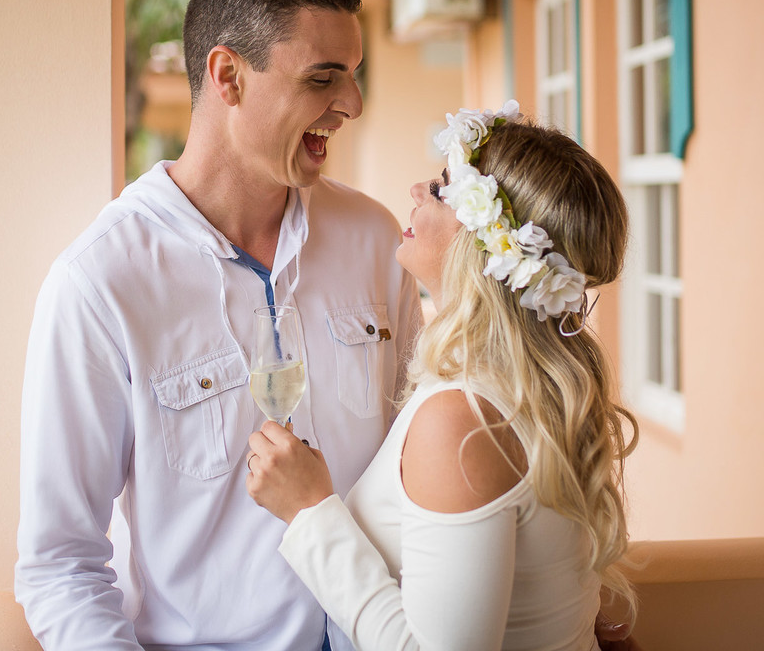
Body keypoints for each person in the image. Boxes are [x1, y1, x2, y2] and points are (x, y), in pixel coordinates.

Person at [15, 0, 422, 651]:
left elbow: (429, 464)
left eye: (355, 76)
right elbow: (61, 567)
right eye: (324, 78)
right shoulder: (99, 286)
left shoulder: (374, 240)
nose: (352, 103)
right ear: (227, 75)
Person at [246, 102, 640, 650]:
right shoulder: (539, 391)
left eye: (439, 188)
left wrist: (310, 513)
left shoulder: (464, 422)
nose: (414, 189)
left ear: (485, 245)